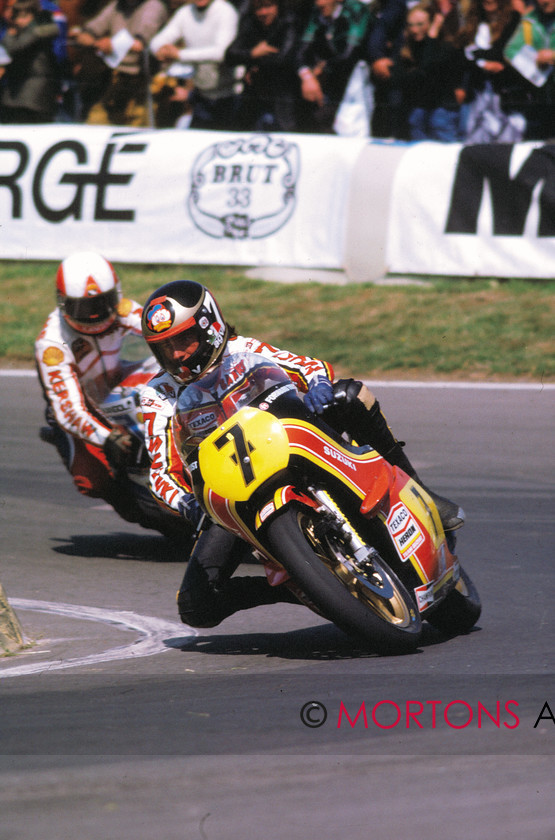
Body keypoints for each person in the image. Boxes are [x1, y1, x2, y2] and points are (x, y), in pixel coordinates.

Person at [140, 280, 465, 629]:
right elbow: (160, 473)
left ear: (211, 327)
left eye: (183, 340)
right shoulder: (156, 394)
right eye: (164, 348)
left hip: (290, 442)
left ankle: (423, 493)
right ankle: (301, 582)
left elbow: (311, 367)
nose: (176, 355)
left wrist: (320, 389)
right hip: (230, 491)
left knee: (351, 395)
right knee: (195, 606)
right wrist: (187, 504)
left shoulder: (243, 348)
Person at [35, 251, 150, 525]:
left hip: (118, 384)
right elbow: (69, 409)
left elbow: (159, 328)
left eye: (103, 302)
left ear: (116, 294)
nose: (95, 314)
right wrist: (107, 438)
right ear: (63, 304)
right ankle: (135, 506)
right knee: (92, 482)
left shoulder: (122, 310)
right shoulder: (52, 345)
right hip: (82, 407)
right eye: (83, 308)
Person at [72, 0, 168, 126]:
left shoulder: (154, 6)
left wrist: (111, 45)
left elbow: (139, 44)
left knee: (137, 131)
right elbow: (85, 34)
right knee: (94, 123)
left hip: (145, 83)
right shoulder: (117, 5)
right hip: (116, 79)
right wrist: (96, 43)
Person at [148, 0, 239, 130]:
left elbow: (221, 53)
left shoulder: (226, 11)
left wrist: (179, 54)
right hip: (200, 96)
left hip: (229, 97)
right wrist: (160, 49)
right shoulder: (185, 12)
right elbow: (157, 41)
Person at [390, 1, 466, 141]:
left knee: (437, 122)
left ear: (433, 23)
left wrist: (431, 37)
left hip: (442, 108)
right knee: (415, 119)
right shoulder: (407, 48)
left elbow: (427, 68)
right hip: (419, 107)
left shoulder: (446, 47)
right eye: (411, 25)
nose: (414, 30)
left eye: (420, 24)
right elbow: (397, 79)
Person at [295, 0, 372, 133]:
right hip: (331, 72)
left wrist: (323, 69)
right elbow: (301, 52)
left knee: (349, 122)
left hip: (358, 72)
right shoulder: (317, 10)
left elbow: (350, 54)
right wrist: (307, 76)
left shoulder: (356, 10)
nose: (320, 3)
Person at [224, 0, 301, 132]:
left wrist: (256, 66)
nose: (263, 12)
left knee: (286, 131)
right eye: (258, 8)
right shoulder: (251, 23)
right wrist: (252, 54)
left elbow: (285, 59)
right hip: (256, 91)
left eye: (268, 6)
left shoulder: (289, 22)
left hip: (283, 93)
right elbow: (229, 56)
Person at [456, 0, 525, 143]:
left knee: (506, 142)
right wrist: (483, 63)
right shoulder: (473, 24)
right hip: (478, 93)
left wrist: (477, 56)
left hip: (506, 94)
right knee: (476, 143)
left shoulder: (514, 20)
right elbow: (461, 56)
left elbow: (502, 53)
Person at [0, 0, 60, 123]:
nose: (20, 21)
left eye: (25, 17)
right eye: (17, 17)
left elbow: (14, 48)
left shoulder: (37, 31)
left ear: (34, 16)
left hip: (33, 94)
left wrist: (9, 34)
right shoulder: (24, 32)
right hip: (18, 93)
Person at [503, 0, 555, 140]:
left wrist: (553, 55)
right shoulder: (530, 19)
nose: (543, 1)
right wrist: (533, 61)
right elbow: (511, 50)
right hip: (540, 100)